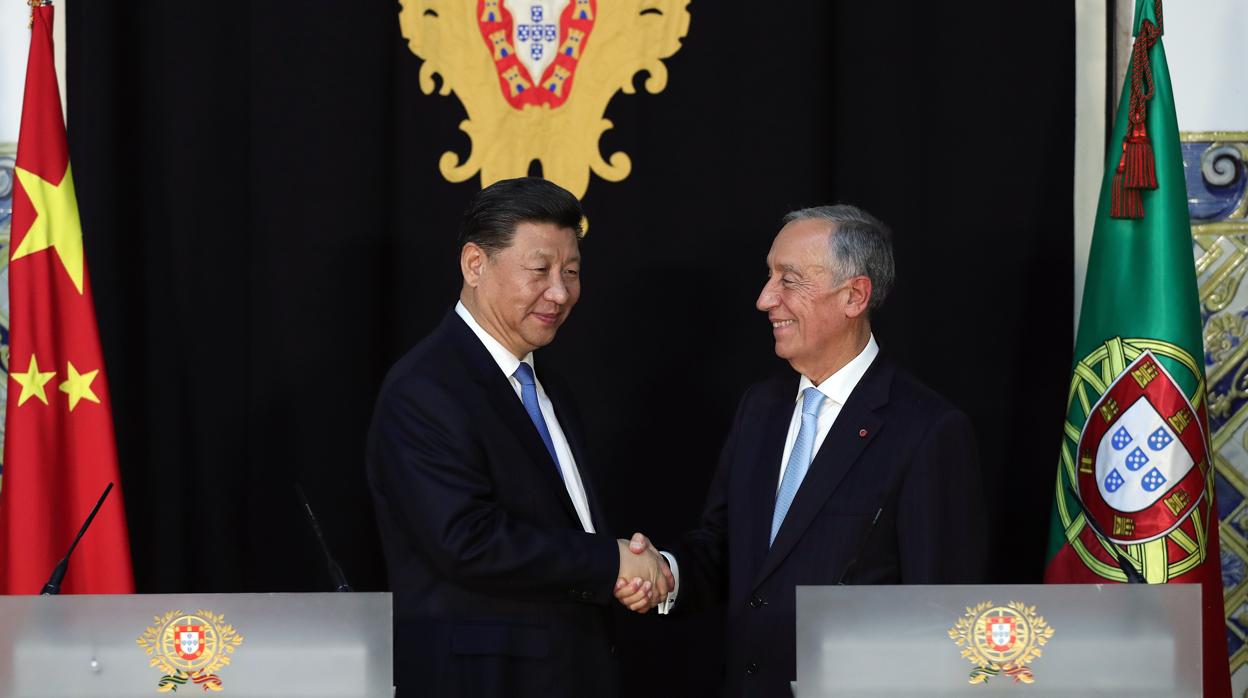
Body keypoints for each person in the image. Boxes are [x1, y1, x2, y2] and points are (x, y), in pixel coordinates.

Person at [619, 204, 987, 697]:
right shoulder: (760, 407)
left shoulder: (927, 430)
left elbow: (942, 615)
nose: (764, 298)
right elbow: (724, 545)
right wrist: (667, 573)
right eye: (769, 276)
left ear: (854, 296)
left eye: (788, 280)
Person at [367, 177, 671, 698]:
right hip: (481, 680)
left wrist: (626, 571)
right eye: (539, 271)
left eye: (571, 272)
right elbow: (466, 540)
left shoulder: (545, 380)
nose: (559, 292)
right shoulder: (424, 387)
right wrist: (611, 562)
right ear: (474, 265)